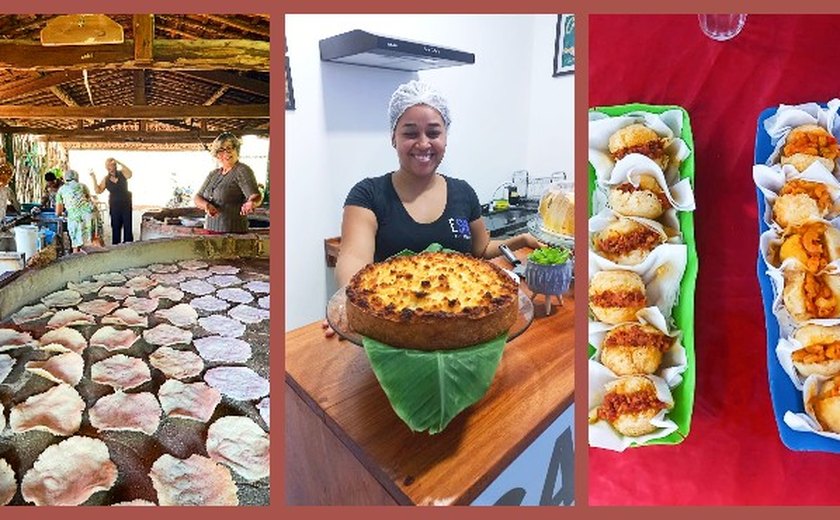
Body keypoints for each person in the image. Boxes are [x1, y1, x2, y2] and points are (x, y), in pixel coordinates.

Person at [325, 80, 541, 336]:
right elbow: (354, 260)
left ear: (446, 137)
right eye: (410, 133)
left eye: (434, 132)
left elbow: (480, 249)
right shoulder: (368, 194)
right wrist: (350, 307)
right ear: (393, 137)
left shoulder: (463, 192)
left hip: (464, 324)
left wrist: (521, 239)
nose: (424, 143)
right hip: (392, 327)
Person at [194, 132, 262, 233]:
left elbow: (255, 195)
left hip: (232, 233)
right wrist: (207, 206)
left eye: (230, 148)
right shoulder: (214, 174)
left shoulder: (242, 170)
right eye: (222, 150)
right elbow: (197, 197)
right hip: (210, 231)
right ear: (217, 154)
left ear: (236, 150)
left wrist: (252, 203)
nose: (227, 153)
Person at [55, 169, 103, 253]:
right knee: (94, 239)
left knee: (76, 243)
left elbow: (58, 212)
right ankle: (100, 259)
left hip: (76, 218)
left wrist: (62, 213)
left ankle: (77, 262)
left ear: (66, 178)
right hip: (91, 214)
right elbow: (88, 199)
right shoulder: (82, 186)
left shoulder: (61, 190)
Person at [90, 158, 133, 244]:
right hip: (114, 205)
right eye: (107, 166)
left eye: (111, 165)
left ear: (115, 166)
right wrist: (93, 178)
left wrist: (119, 161)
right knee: (115, 226)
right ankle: (116, 246)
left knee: (127, 226)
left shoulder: (122, 174)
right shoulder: (106, 179)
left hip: (126, 204)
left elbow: (130, 173)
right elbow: (98, 190)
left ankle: (128, 245)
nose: (109, 168)